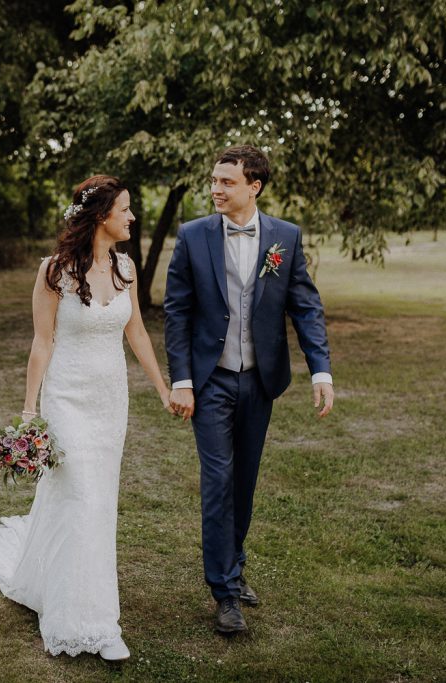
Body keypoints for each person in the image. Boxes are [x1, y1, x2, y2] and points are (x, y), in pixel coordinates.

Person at [0, 175, 172, 660]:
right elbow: (43, 341)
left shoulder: (127, 268)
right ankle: (91, 624)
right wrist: (30, 410)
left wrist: (161, 389)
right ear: (100, 216)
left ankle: (58, 585)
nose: (132, 218)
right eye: (125, 210)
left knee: (98, 502)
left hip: (110, 402)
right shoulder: (54, 272)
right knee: (82, 497)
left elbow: (137, 332)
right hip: (67, 400)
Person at [163, 145, 334, 634]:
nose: (215, 189)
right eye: (213, 181)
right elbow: (177, 312)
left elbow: (305, 305)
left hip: (260, 380)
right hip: (211, 379)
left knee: (244, 482)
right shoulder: (192, 237)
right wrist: (183, 379)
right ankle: (225, 591)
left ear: (254, 186)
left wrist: (320, 370)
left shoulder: (285, 237)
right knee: (218, 480)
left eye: (226, 182)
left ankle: (232, 564)